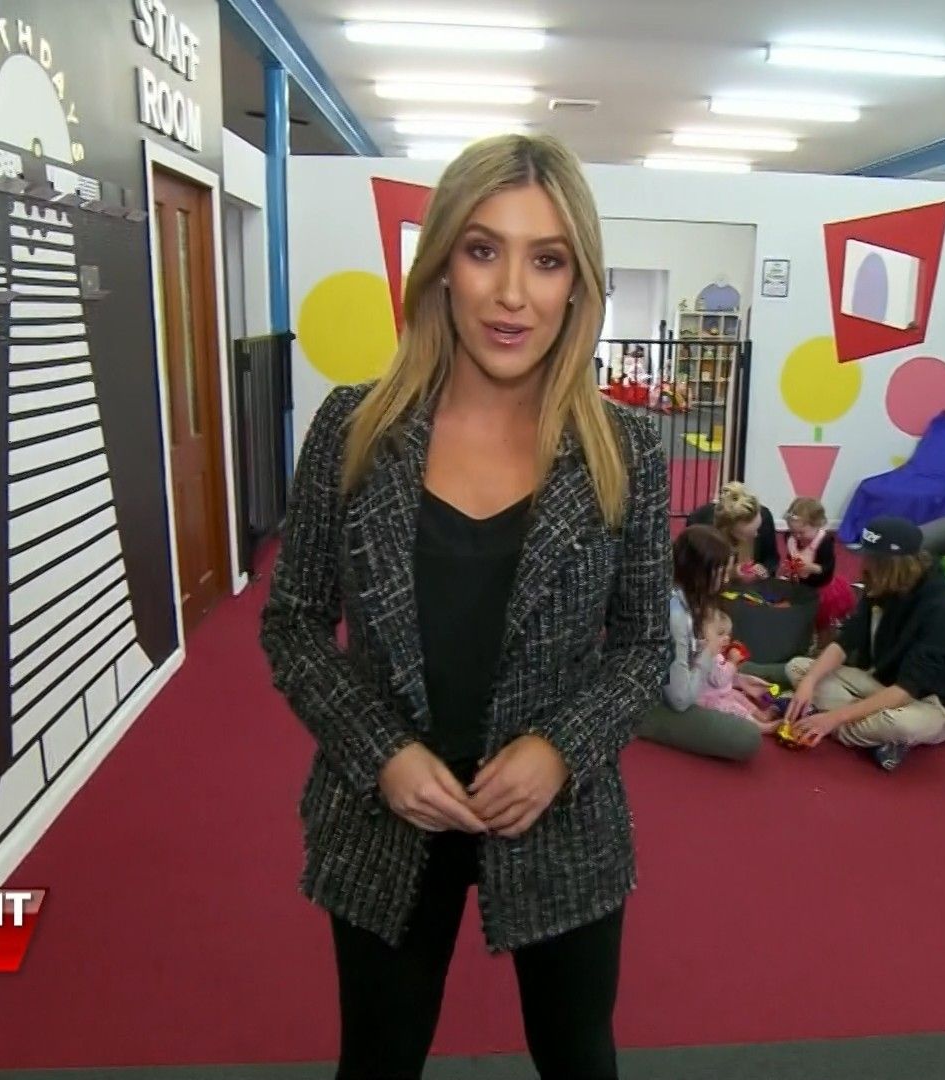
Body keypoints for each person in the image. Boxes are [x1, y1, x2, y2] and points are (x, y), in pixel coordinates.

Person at [260, 134, 669, 1080]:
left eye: (547, 259)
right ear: (443, 264)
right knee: (377, 1061)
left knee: (579, 1060)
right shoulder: (355, 427)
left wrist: (560, 749)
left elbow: (645, 644)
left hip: (561, 819)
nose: (512, 293)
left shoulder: (625, 451)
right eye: (484, 250)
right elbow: (293, 622)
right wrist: (381, 753)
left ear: (579, 284)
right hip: (384, 816)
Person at [778, 516, 945, 772]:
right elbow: (846, 640)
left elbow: (907, 689)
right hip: (880, 683)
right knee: (799, 668)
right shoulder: (882, 585)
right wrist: (810, 682)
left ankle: (825, 721)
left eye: (872, 559)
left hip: (926, 702)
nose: (864, 566)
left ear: (892, 565)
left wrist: (833, 719)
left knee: (899, 724)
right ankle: (869, 737)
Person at [632, 524, 767, 761]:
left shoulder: (687, 597)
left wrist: (736, 679)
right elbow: (681, 699)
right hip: (652, 699)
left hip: (675, 679)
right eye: (722, 572)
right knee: (747, 737)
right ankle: (640, 722)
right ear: (700, 572)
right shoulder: (675, 614)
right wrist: (711, 651)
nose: (727, 579)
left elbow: (689, 658)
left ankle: (780, 671)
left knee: (742, 676)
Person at [779, 496, 855, 640]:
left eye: (802, 532)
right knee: (803, 618)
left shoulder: (824, 542)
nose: (797, 536)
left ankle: (825, 643)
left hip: (822, 589)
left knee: (823, 623)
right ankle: (805, 639)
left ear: (817, 525)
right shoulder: (791, 538)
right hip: (801, 586)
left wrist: (811, 567)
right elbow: (792, 557)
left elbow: (828, 568)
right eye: (793, 531)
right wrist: (791, 567)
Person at [696, 607, 785, 728]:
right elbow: (719, 680)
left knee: (739, 696)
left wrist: (737, 672)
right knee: (734, 708)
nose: (727, 638)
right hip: (710, 700)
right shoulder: (705, 658)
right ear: (702, 637)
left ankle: (760, 715)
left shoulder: (716, 655)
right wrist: (732, 662)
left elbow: (725, 678)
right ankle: (759, 726)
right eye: (720, 634)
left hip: (721, 693)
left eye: (728, 634)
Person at [687, 481, 780, 582]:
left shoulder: (764, 517)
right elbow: (695, 573)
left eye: (757, 528)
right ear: (727, 529)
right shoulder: (700, 527)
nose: (756, 534)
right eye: (745, 536)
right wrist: (730, 573)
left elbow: (771, 559)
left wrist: (764, 569)